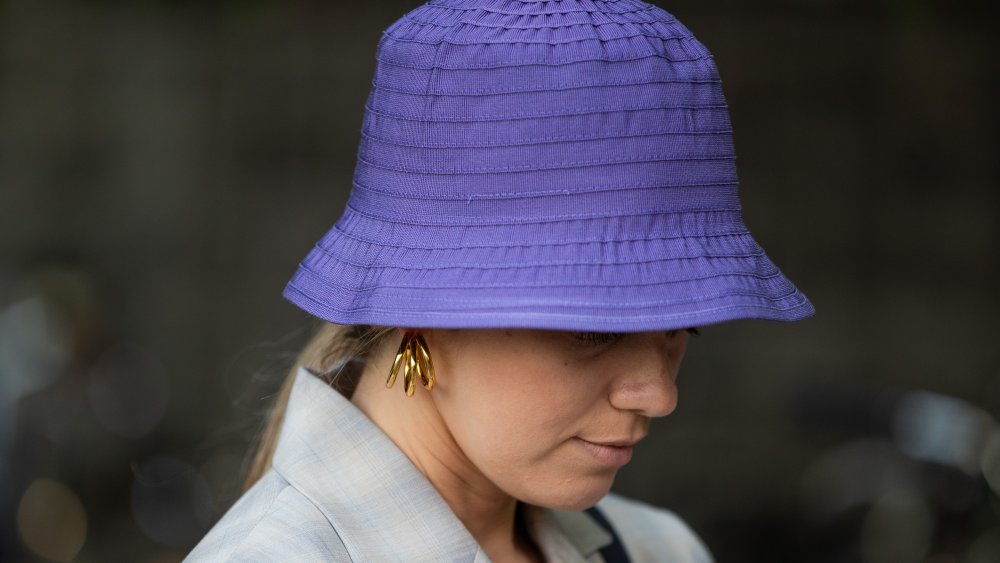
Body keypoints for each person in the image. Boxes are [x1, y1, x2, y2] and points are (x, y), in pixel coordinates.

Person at [187, 0, 814, 560]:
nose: (658, 394)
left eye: (682, 324)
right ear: (418, 301)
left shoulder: (658, 549)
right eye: (595, 329)